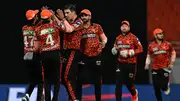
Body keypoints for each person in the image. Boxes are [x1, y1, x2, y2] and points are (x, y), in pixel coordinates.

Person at [34, 9, 74, 101]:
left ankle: (47, 99)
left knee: (47, 79)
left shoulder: (38, 29)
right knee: (57, 79)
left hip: (44, 54)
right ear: (50, 18)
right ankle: (55, 99)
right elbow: (67, 29)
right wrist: (55, 17)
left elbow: (36, 46)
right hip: (55, 54)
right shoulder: (56, 25)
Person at [76, 9, 107, 101]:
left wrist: (104, 43)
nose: (83, 17)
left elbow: (104, 38)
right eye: (81, 16)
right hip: (83, 56)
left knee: (97, 81)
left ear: (90, 16)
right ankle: (78, 99)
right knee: (79, 80)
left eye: (85, 15)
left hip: (96, 55)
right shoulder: (78, 29)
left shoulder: (97, 27)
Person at [111, 20, 143, 101]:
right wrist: (114, 50)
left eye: (126, 26)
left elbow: (140, 49)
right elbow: (115, 48)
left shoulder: (133, 37)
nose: (124, 27)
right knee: (118, 84)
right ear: (120, 28)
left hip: (131, 64)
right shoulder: (118, 38)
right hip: (120, 63)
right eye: (122, 26)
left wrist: (130, 53)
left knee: (129, 84)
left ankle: (134, 93)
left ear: (129, 28)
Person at [145, 28, 176, 101]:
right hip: (155, 68)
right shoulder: (151, 46)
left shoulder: (167, 44)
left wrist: (172, 63)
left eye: (162, 33)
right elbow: (148, 56)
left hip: (165, 67)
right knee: (156, 87)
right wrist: (147, 64)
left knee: (163, 86)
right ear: (155, 35)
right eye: (159, 34)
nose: (162, 35)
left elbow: (173, 52)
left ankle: (166, 87)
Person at [21, 9, 43, 101]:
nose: (37, 16)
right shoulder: (37, 28)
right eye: (36, 16)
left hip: (26, 56)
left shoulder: (24, 28)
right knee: (41, 80)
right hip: (34, 55)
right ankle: (38, 99)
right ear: (34, 18)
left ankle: (27, 95)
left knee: (33, 79)